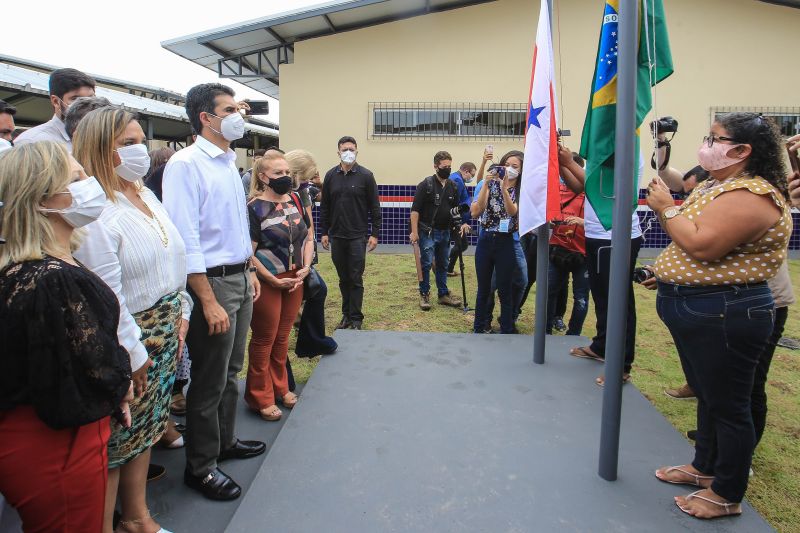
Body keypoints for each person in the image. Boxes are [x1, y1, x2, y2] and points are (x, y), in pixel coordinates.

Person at [647, 113, 792, 520]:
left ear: (744, 150)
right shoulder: (719, 185)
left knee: (730, 405)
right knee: (708, 396)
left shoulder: (753, 195)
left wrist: (665, 208)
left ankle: (726, 491)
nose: (707, 144)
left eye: (716, 138)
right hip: (699, 307)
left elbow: (704, 245)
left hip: (726, 311)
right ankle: (704, 467)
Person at [0, 142, 133, 532]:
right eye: (76, 179)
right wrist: (119, 386)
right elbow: (89, 362)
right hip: (58, 442)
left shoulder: (34, 267)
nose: (89, 185)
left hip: (46, 432)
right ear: (41, 199)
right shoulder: (52, 279)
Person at [72, 107, 189, 533]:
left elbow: (173, 256)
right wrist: (133, 350)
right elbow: (107, 292)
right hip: (130, 338)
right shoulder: (97, 209)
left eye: (141, 140)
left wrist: (183, 311)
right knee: (118, 440)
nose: (139, 149)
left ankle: (137, 517)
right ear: (100, 148)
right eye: (127, 143)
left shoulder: (145, 194)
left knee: (148, 425)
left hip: (166, 324)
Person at [163, 83, 265, 501]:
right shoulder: (186, 165)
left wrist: (249, 271)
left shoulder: (226, 161)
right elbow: (185, 238)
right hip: (213, 283)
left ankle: (225, 441)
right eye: (228, 108)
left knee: (231, 370)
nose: (238, 113)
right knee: (208, 378)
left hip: (238, 277)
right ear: (206, 118)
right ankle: (201, 467)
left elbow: (234, 229)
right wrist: (205, 298)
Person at [563, 144, 643, 386]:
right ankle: (601, 346)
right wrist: (564, 163)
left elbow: (608, 187)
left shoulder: (627, 149)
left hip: (616, 235)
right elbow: (579, 187)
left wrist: (569, 162)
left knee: (618, 301)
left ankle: (621, 363)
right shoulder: (603, 154)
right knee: (601, 296)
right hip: (598, 234)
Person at [246, 152, 314, 421]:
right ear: (263, 177)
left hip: (295, 277)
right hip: (268, 281)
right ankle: (259, 396)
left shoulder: (295, 199)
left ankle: (281, 387)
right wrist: (271, 278)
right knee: (264, 339)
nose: (285, 177)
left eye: (287, 172)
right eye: (278, 173)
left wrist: (306, 267)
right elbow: (248, 252)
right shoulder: (253, 208)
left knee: (283, 337)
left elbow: (307, 237)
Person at [320, 136, 381, 330]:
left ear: (357, 151)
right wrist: (324, 232)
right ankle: (345, 315)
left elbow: (375, 206)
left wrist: (375, 234)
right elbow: (325, 206)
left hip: (357, 236)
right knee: (343, 278)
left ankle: (356, 318)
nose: (348, 152)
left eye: (352, 149)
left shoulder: (366, 176)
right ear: (338, 152)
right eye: (345, 149)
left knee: (355, 278)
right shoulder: (330, 176)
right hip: (337, 236)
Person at [284, 149, 337, 357]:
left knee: (317, 290)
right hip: (285, 261)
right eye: (306, 178)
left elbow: (307, 227)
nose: (308, 183)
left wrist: (308, 259)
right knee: (313, 292)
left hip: (301, 258)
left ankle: (311, 340)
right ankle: (311, 340)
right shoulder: (279, 197)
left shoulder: (300, 193)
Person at [471, 150, 523, 334]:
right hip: (486, 239)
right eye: (506, 165)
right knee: (483, 289)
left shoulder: (520, 189)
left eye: (514, 166)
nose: (509, 169)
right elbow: (477, 211)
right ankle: (478, 327)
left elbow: (512, 211)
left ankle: (506, 329)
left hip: (506, 241)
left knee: (505, 290)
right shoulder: (490, 184)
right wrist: (486, 183)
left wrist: (504, 189)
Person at [409, 151, 464, 310]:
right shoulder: (426, 185)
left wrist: (458, 226)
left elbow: (455, 209)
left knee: (443, 264)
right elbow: (415, 211)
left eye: (449, 166)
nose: (447, 169)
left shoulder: (453, 186)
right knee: (425, 263)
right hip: (427, 232)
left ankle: (443, 295)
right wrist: (414, 232)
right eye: (444, 166)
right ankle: (424, 294)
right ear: (436, 166)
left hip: (445, 232)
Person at [546, 160, 589, 336]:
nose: (566, 178)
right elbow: (547, 215)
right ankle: (545, 330)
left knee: (581, 298)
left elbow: (606, 223)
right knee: (549, 291)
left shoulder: (592, 193)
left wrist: (583, 222)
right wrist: (549, 221)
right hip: (558, 249)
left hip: (584, 253)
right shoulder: (558, 191)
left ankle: (574, 335)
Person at [14, 68, 96, 152]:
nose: (87, 104)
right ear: (56, 101)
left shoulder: (98, 137)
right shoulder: (32, 142)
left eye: (91, 98)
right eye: (75, 99)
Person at [446, 161, 476, 276]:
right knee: (462, 245)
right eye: (472, 175)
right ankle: (445, 266)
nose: (471, 178)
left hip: (456, 219)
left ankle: (447, 268)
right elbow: (454, 202)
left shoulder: (456, 178)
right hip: (456, 220)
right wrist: (461, 222)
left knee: (460, 244)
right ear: (466, 171)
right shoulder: (457, 180)